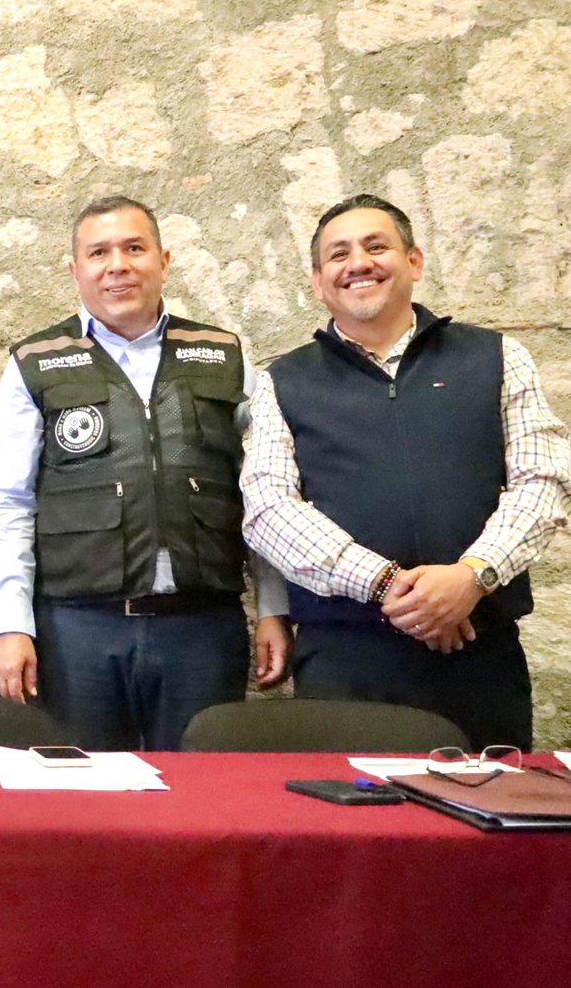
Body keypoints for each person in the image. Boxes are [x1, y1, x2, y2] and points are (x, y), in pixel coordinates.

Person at [242, 194, 571, 749]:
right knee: (347, 806)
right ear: (319, 282)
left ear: (413, 261)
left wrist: (471, 576)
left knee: (489, 801)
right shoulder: (284, 381)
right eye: (338, 254)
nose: (359, 263)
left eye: (377, 246)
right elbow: (268, 507)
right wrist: (389, 585)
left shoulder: (496, 357)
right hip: (345, 662)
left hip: (478, 655)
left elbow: (544, 480)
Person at [0, 196, 291, 751]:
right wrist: (10, 624)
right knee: (84, 790)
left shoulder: (223, 356)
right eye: (98, 252)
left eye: (133, 248)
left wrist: (274, 609)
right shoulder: (36, 362)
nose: (117, 265)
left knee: (201, 787)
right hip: (77, 629)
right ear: (75, 270)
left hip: (200, 627)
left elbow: (264, 495)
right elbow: (10, 502)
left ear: (163, 261)